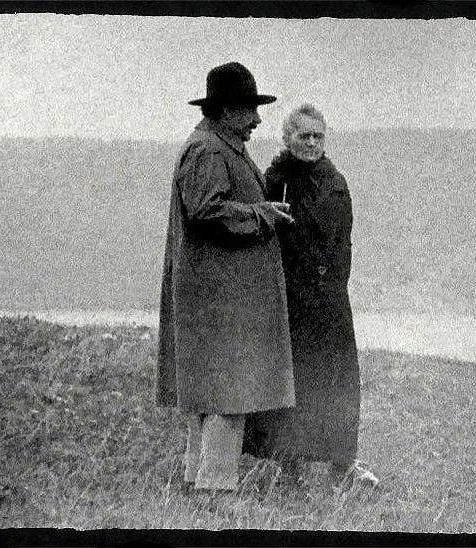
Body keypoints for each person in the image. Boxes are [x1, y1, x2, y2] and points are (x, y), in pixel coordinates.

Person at [156, 62, 296, 493]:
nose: (257, 119)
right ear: (225, 110)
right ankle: (215, 491)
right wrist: (263, 214)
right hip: (220, 301)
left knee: (215, 396)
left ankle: (197, 484)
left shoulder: (215, 144)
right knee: (227, 396)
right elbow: (206, 210)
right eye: (249, 109)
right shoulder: (210, 151)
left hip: (216, 298)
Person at [243, 104, 378, 491]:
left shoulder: (336, 182)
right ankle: (288, 468)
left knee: (336, 383)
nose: (312, 143)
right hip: (290, 301)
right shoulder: (274, 181)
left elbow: (343, 245)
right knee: (292, 384)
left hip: (330, 302)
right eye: (304, 136)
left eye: (318, 136)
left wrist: (334, 287)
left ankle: (341, 465)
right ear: (288, 139)